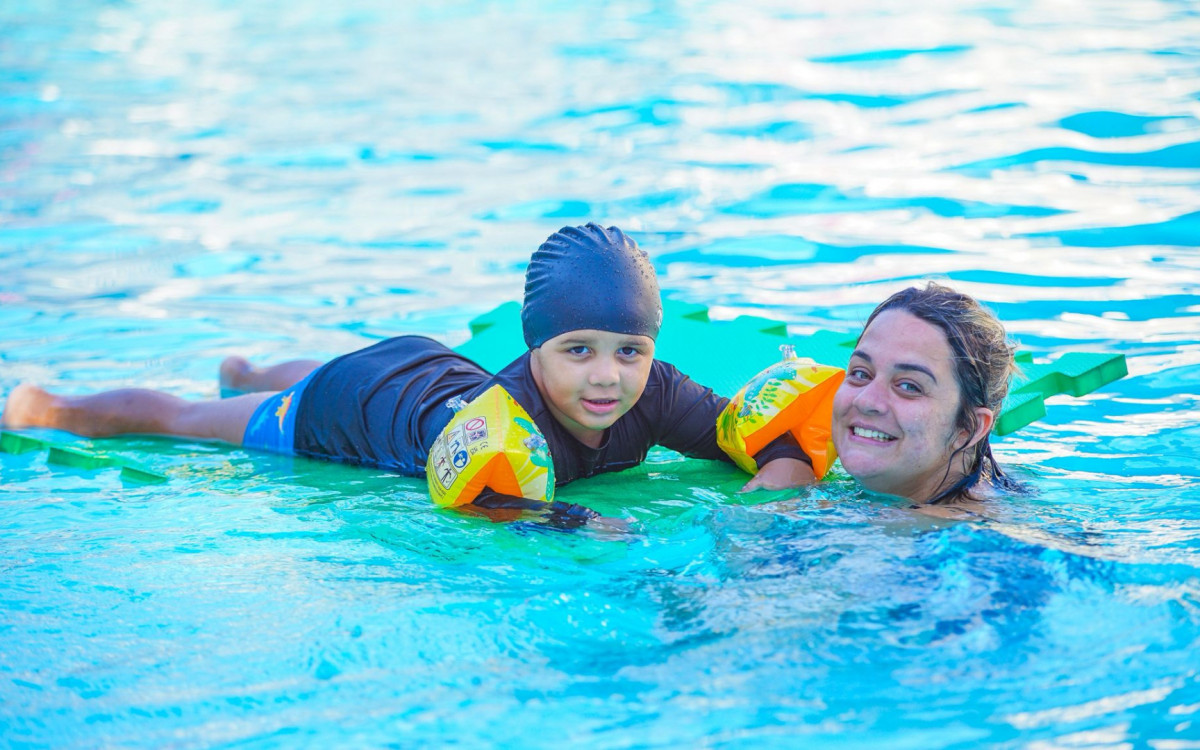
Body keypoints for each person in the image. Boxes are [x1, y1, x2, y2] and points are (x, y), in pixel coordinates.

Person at [1, 224, 816, 524]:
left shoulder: (657, 388)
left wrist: (770, 488)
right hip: (344, 408)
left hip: (420, 365)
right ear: (533, 351)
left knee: (304, 372)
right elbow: (493, 502)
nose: (608, 378)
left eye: (628, 350)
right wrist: (569, 520)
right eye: (579, 351)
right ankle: (53, 405)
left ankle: (246, 365)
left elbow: (751, 437)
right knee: (194, 420)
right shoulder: (499, 426)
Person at [831, 282, 1023, 508]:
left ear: (968, 428)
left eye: (909, 387)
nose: (865, 400)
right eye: (861, 373)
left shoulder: (970, 538)